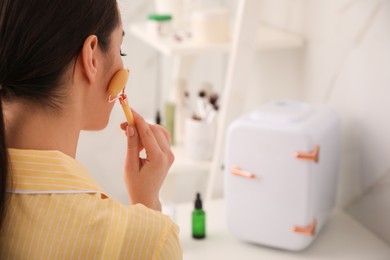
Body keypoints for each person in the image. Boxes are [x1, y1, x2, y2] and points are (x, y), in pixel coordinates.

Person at [0, 0, 182, 258]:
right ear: (92, 56)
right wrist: (147, 209)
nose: (123, 66)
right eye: (122, 50)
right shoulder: (147, 240)